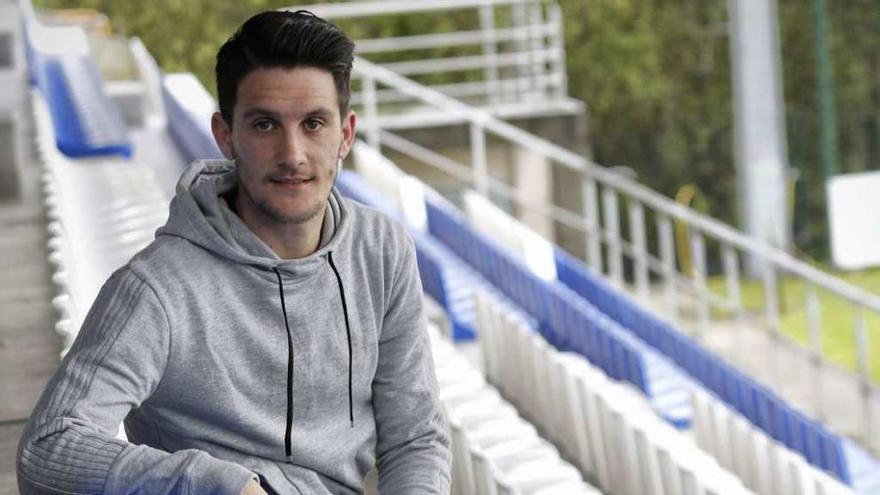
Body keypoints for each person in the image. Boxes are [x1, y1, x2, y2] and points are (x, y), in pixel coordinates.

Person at [17, 10, 451, 495]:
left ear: (345, 134)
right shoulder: (157, 288)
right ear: (226, 136)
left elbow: (414, 438)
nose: (293, 154)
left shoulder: (383, 251)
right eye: (265, 125)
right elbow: (48, 448)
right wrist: (219, 485)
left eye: (313, 124)